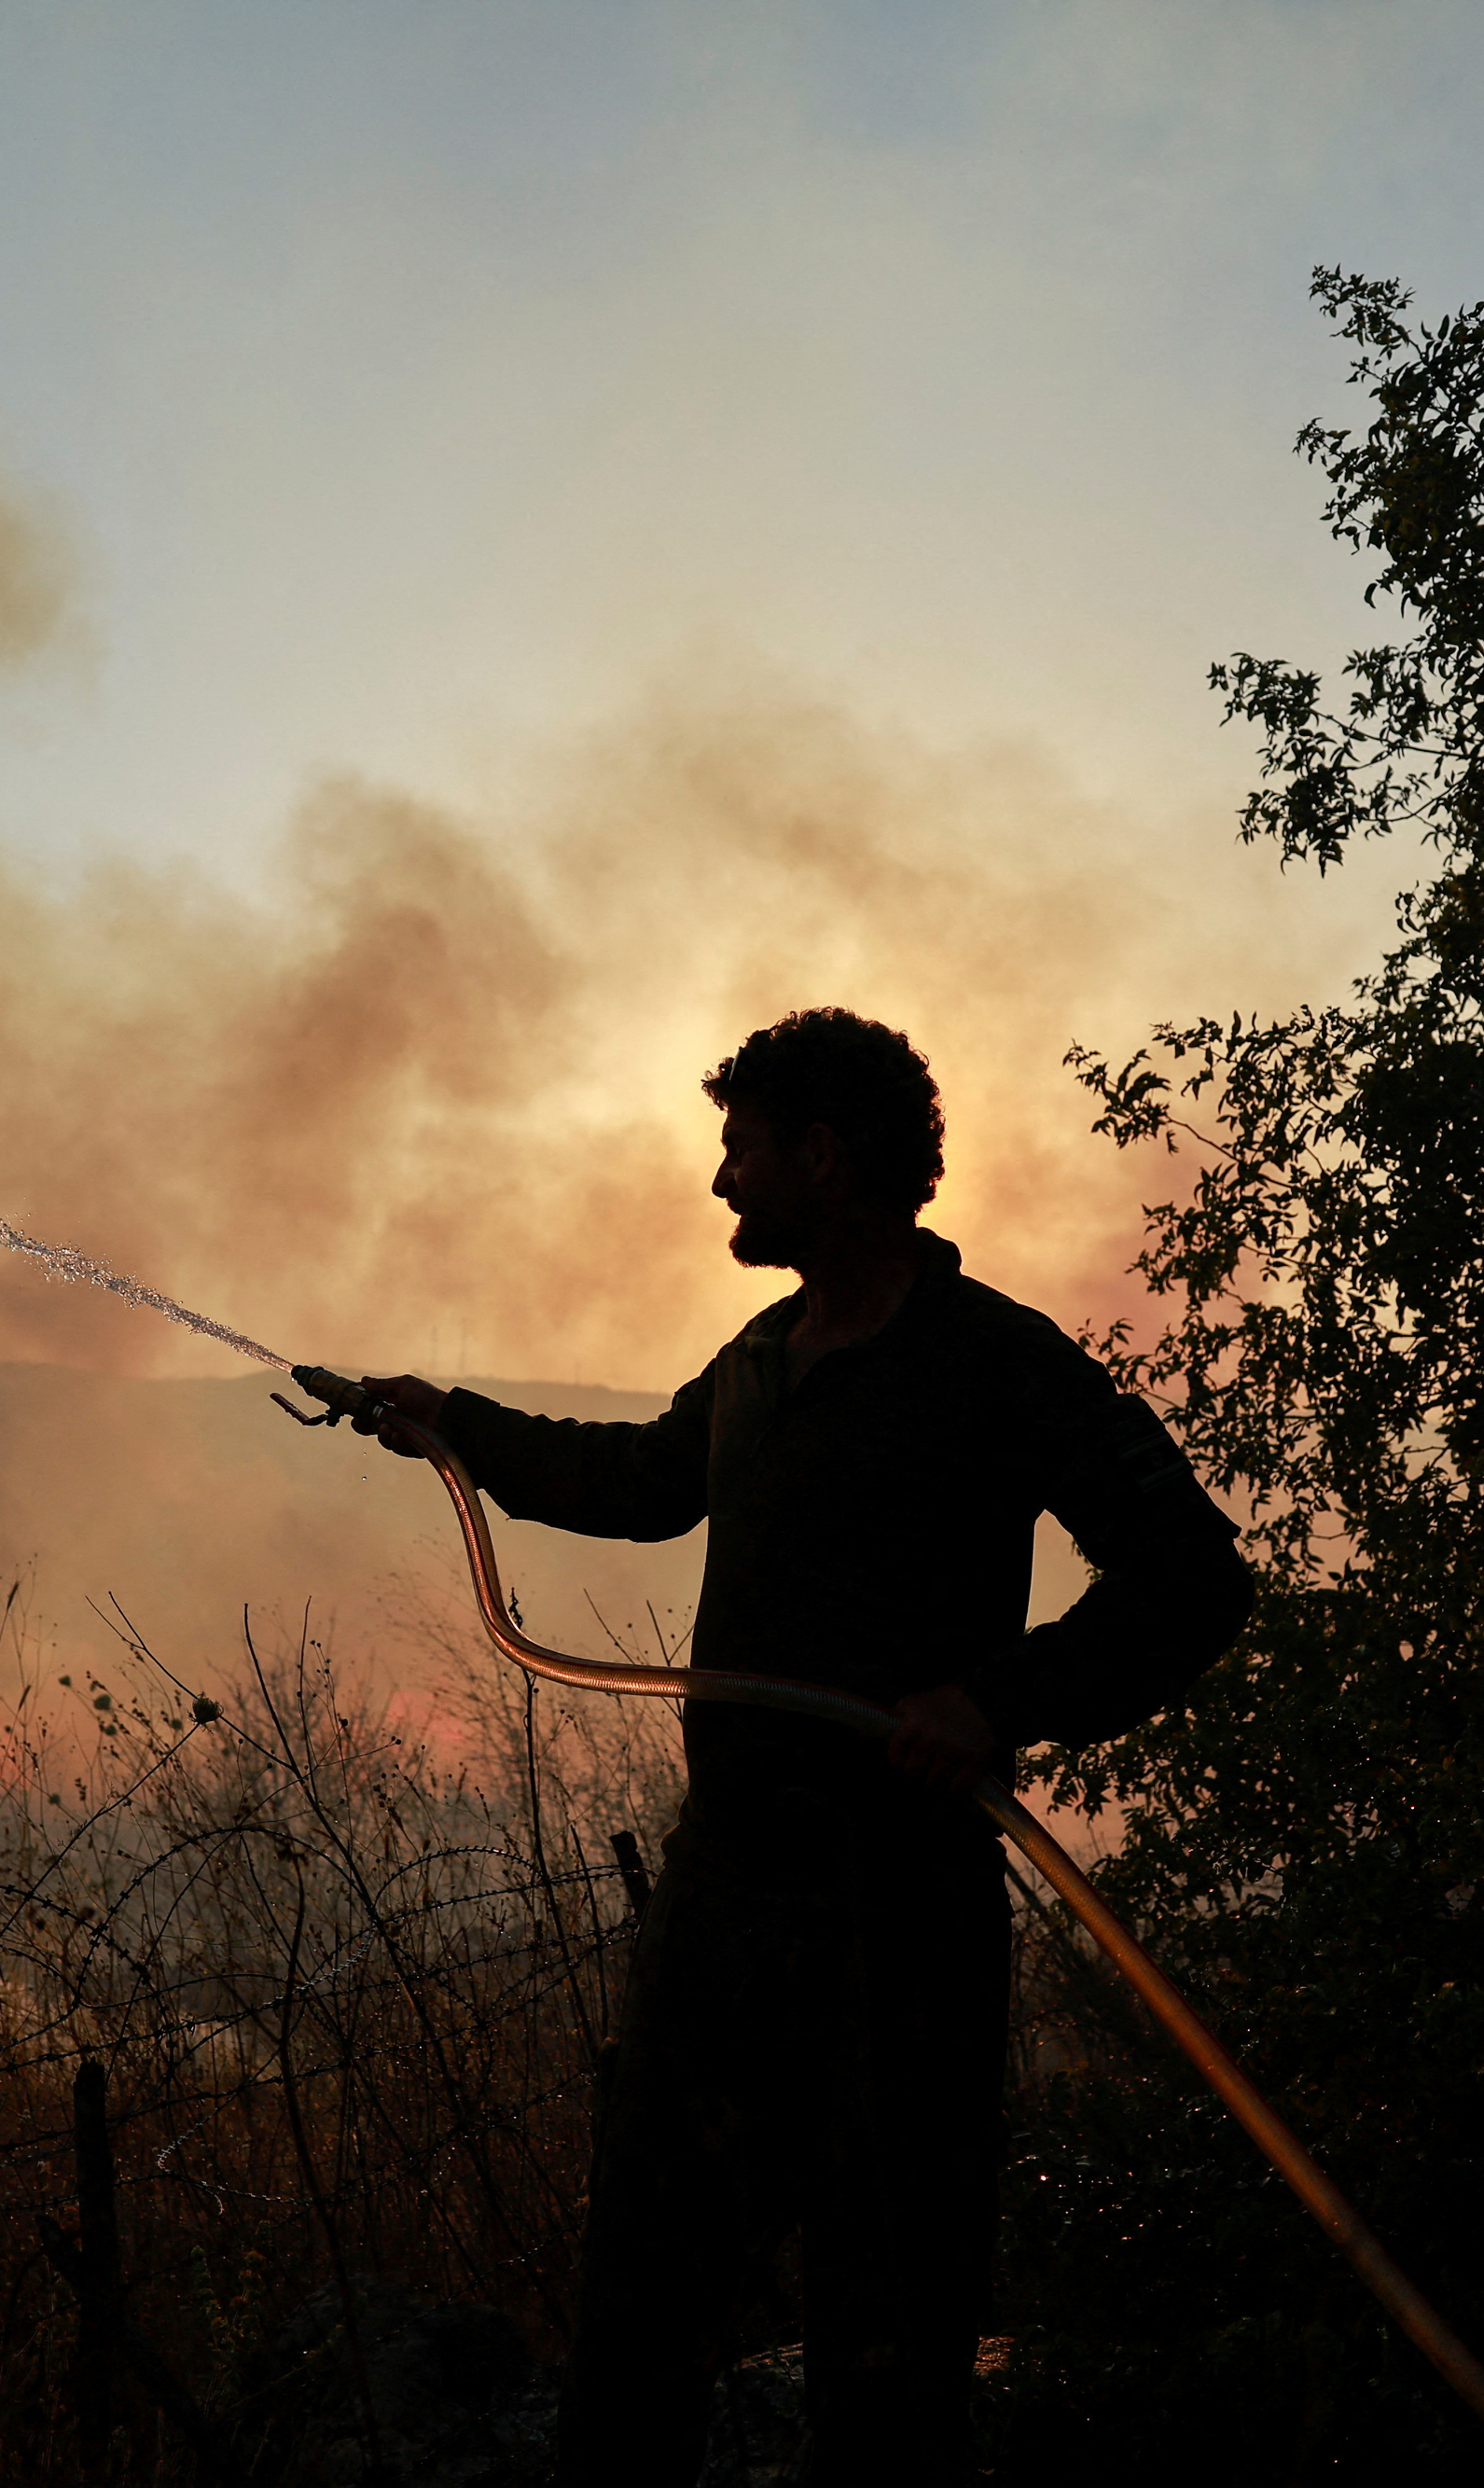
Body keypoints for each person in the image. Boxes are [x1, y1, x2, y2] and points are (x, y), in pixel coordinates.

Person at [352, 1007, 1251, 2487]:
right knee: (643, 2292)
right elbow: (641, 1482)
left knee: (890, 2335)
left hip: (898, 1922)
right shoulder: (762, 1360)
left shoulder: (997, 1364)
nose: (721, 1182)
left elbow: (1194, 1581)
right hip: (726, 1904)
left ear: (822, 1156)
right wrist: (454, 1426)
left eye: (741, 1149)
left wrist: (998, 1701)